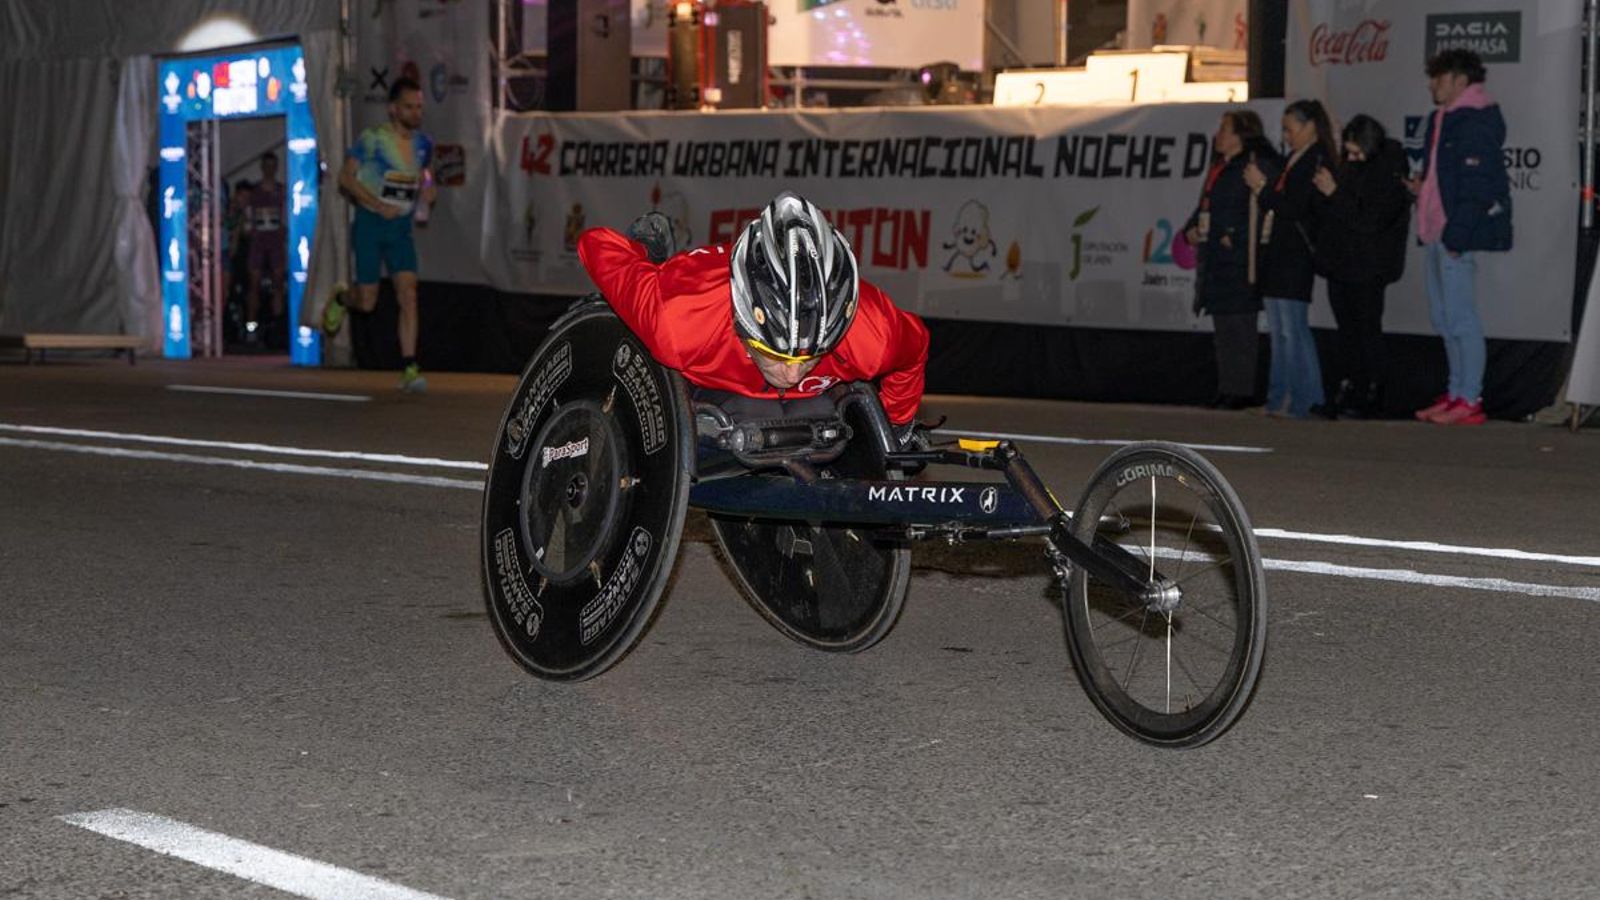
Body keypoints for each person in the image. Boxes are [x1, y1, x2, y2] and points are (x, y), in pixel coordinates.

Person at [576, 192, 930, 438]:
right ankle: (655, 253)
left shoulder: (872, 331)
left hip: (797, 404)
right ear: (743, 322)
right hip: (695, 308)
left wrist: (896, 423)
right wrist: (639, 253)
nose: (791, 373)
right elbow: (596, 243)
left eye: (811, 357)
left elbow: (915, 350)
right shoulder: (677, 320)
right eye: (776, 354)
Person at [1409, 49, 1512, 426]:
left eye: (1439, 78)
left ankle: (1470, 397)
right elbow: (1444, 177)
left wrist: (1458, 234)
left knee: (1461, 318)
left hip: (1454, 234)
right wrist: (1422, 190)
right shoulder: (1443, 118)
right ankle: (1456, 392)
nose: (1433, 85)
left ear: (1459, 81)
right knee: (1444, 317)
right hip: (1438, 229)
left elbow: (1478, 186)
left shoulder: (1474, 120)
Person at [322, 77, 437, 393]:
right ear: (393, 109)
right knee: (368, 301)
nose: (416, 113)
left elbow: (426, 176)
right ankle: (343, 297)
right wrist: (376, 203)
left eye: (419, 107)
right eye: (410, 107)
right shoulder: (372, 139)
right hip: (371, 224)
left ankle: (410, 367)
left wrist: (428, 191)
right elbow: (345, 178)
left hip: (400, 229)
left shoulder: (423, 144)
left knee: (408, 294)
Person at [1311, 114, 1411, 418]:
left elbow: (1369, 220)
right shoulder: (1351, 169)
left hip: (1369, 266)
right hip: (1342, 263)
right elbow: (1340, 214)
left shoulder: (1389, 173)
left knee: (1367, 330)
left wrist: (1334, 193)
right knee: (1347, 333)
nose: (1351, 159)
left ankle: (1373, 392)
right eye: (1348, 152)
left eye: (1357, 153)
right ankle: (1350, 389)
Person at [1185, 110, 1281, 410]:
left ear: (1241, 135)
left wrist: (1235, 235)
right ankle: (1228, 386)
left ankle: (1242, 389)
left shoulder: (1253, 166)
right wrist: (1190, 227)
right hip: (1216, 258)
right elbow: (1206, 204)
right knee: (1224, 328)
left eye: (1225, 130)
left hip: (1240, 259)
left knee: (1240, 327)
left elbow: (1264, 210)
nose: (1218, 135)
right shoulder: (1220, 167)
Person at [1246, 99, 1336, 418]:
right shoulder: (1295, 159)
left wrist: (1262, 188)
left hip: (1295, 255)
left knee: (1292, 329)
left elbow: (1295, 208)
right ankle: (1280, 397)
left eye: (1290, 129)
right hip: (1279, 251)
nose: (1286, 136)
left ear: (1310, 126)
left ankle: (1305, 399)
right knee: (1281, 329)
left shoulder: (1315, 159)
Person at [244, 153, 286, 344]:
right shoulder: (254, 192)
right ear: (262, 167)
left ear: (276, 167)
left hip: (276, 240)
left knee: (278, 283)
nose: (269, 169)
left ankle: (278, 327)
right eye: (266, 165)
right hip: (259, 241)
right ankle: (251, 328)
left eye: (272, 165)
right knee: (254, 286)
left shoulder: (281, 190)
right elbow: (245, 215)